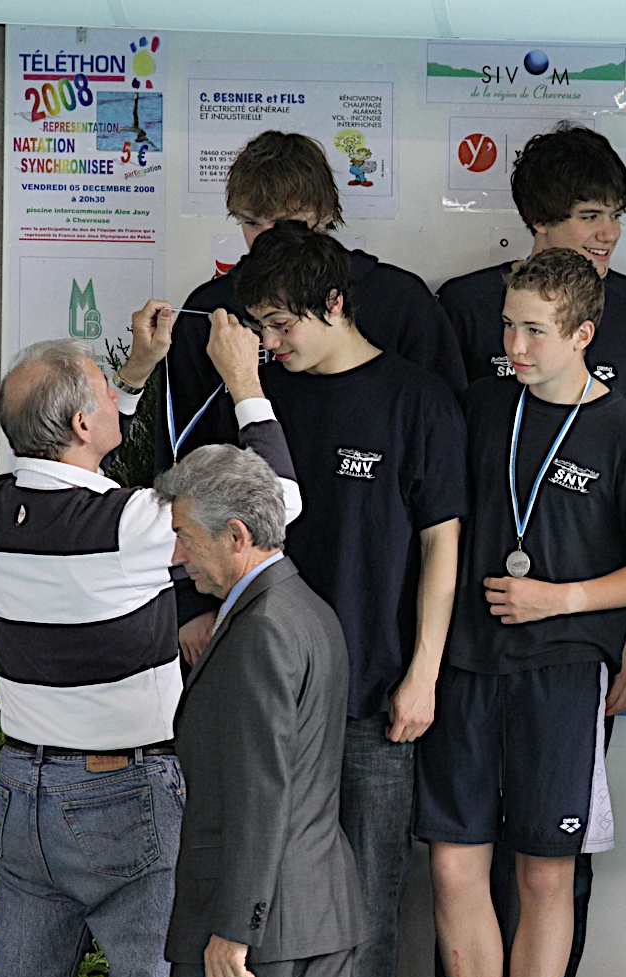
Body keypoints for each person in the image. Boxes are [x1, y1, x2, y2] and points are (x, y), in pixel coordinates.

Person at [433, 121, 626, 977]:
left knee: (547, 869)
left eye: (533, 330)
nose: (514, 343)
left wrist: (576, 607)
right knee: (455, 867)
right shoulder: (478, 404)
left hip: (562, 667)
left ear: (583, 334)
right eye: (508, 327)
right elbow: (436, 528)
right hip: (465, 663)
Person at [0, 320, 297, 977]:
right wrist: (245, 383)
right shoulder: (125, 526)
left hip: (23, 791)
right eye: (105, 394)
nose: (116, 399)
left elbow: (81, 471)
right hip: (122, 793)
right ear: (83, 425)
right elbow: (277, 505)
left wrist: (136, 377)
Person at [224, 220, 467, 977]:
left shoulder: (416, 400)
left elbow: (443, 543)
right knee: (255, 900)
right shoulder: (263, 401)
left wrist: (423, 672)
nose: (272, 344)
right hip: (268, 698)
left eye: (283, 324)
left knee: (365, 908)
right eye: (260, 328)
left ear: (334, 303)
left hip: (373, 695)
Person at [160, 130, 465, 694]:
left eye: (288, 223)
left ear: (324, 216)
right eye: (252, 223)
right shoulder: (213, 311)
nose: (269, 240)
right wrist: (189, 602)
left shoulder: (402, 306)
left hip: (375, 625)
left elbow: (443, 496)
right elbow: (181, 462)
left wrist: (427, 667)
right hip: (255, 621)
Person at [158, 444, 367, 977]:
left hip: (256, 935)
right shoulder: (308, 610)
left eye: (185, 537)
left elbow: (260, 790)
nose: (177, 556)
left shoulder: (262, 630)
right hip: (316, 915)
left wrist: (234, 928)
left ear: (236, 535)